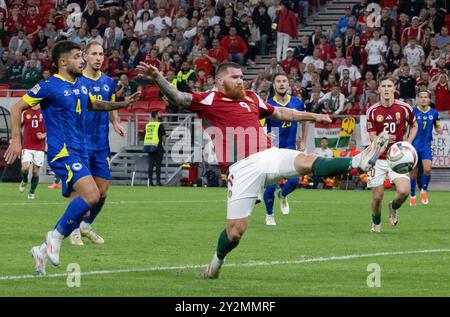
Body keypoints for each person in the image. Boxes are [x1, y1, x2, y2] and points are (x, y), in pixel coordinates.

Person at [137, 61, 390, 279]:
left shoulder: (252, 98)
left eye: (241, 77)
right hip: (241, 168)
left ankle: (357, 162)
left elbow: (280, 112)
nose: (240, 81)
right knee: (235, 232)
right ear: (220, 81)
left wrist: (312, 116)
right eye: (235, 78)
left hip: (268, 154)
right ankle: (215, 263)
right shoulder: (209, 99)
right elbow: (179, 98)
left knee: (306, 161)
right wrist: (158, 77)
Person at [3, 41, 140, 276]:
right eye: (78, 57)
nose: (83, 60)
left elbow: (94, 105)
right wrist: (16, 140)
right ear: (63, 62)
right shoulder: (49, 86)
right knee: (92, 195)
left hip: (82, 150)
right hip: (63, 151)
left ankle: (41, 251)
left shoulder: (80, 86)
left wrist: (122, 104)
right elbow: (16, 108)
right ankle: (53, 237)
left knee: (86, 207)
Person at [69, 41, 126, 246]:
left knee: (102, 191)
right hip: (80, 143)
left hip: (101, 143)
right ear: (85, 56)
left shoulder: (109, 82)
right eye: (94, 54)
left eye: (101, 54)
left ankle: (86, 225)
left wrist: (116, 122)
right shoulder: (77, 81)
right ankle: (74, 228)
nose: (99, 57)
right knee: (81, 190)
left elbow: (110, 104)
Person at [366, 77, 418, 233]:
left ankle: (393, 207)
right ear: (379, 89)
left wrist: (407, 143)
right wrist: (383, 138)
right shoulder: (372, 110)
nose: (387, 89)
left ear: (395, 89)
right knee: (377, 197)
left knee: (403, 192)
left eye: (390, 86)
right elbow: (372, 136)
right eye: (384, 86)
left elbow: (414, 126)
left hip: (397, 157)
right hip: (378, 157)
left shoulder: (404, 108)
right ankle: (376, 223)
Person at [263, 73, 306, 226]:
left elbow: (304, 119)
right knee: (270, 186)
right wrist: (265, 133)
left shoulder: (297, 103)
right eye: (278, 81)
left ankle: (283, 195)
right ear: (274, 85)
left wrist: (303, 139)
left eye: (284, 81)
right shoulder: (268, 104)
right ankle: (269, 215)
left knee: (294, 181)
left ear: (289, 85)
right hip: (273, 149)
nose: (281, 84)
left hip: (290, 148)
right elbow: (258, 124)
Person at [410, 91, 443, 206]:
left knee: (427, 169)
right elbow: (405, 127)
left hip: (426, 146)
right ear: (418, 99)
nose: (423, 99)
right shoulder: (412, 112)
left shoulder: (434, 113)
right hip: (413, 146)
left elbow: (437, 125)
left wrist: (439, 130)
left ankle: (423, 191)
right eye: (421, 97)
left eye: (426, 97)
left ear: (429, 100)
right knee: (413, 173)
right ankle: (413, 195)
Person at [19, 104, 46, 199]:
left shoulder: (45, 112)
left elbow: (53, 128)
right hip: (27, 145)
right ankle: (24, 180)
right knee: (25, 167)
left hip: (39, 147)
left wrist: (44, 135)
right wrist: (15, 139)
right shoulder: (25, 112)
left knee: (35, 171)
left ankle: (32, 192)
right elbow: (18, 126)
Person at [143, 111, 166, 186]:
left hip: (149, 146)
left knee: (151, 165)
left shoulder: (148, 125)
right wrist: (163, 144)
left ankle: (150, 182)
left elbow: (145, 134)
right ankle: (158, 182)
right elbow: (163, 137)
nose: (161, 115)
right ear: (156, 115)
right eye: (159, 114)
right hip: (158, 147)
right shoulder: (160, 125)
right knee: (158, 165)